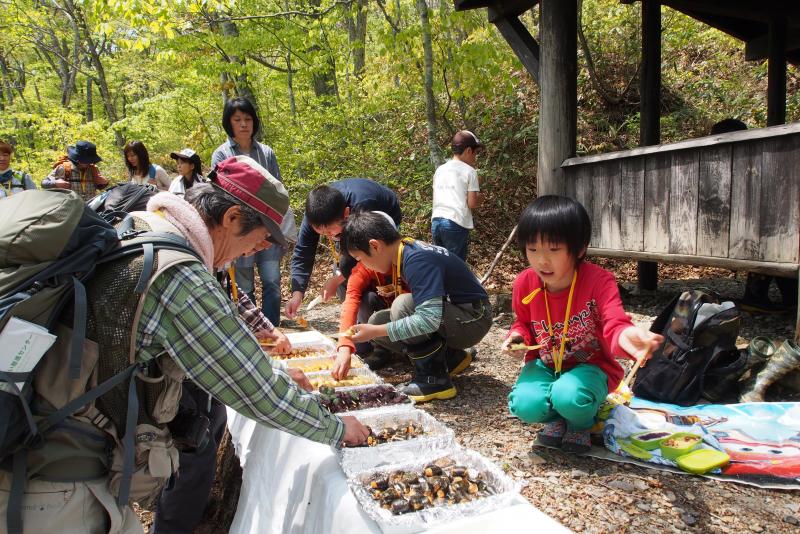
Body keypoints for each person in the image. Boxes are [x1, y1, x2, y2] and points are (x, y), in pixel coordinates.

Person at [2, 155, 370, 533]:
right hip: (56, 485)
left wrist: (275, 371)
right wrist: (338, 429)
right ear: (230, 218)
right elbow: (252, 388)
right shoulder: (177, 273)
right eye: (259, 242)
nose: (254, 253)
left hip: (40, 448)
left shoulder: (146, 225)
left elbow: (223, 346)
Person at [500, 195, 662, 453]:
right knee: (524, 404)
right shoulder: (525, 283)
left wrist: (627, 336)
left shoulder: (598, 281)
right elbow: (522, 322)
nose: (542, 261)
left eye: (553, 250)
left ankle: (580, 423)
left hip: (591, 366)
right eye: (533, 249)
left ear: (579, 249)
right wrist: (517, 338)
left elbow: (614, 321)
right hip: (546, 364)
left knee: (570, 396)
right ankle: (555, 420)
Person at [342, 211, 490, 402]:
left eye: (360, 259)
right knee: (378, 319)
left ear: (375, 245)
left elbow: (429, 319)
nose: (365, 266)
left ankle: (434, 380)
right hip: (456, 315)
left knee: (402, 306)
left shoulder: (416, 259)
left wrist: (375, 332)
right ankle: (451, 358)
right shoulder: (405, 251)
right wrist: (376, 328)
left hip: (475, 318)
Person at [710, 118, 799, 313]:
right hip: (736, 227)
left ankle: (787, 296)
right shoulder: (734, 162)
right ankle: (758, 295)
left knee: (778, 241)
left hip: (751, 224)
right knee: (772, 239)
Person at [212, 97, 287, 325]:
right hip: (240, 228)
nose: (244, 124)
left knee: (272, 280)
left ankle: (272, 326)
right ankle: (254, 330)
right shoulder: (222, 154)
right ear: (229, 123)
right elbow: (220, 193)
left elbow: (278, 188)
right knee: (245, 285)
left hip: (266, 226)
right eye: (238, 120)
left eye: (248, 119)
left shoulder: (266, 153)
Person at [286, 179, 402, 319]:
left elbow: (360, 253)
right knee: (342, 271)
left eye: (330, 231)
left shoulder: (362, 204)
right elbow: (303, 252)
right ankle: (356, 318)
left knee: (371, 267)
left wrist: (336, 279)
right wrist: (297, 294)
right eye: (320, 232)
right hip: (346, 221)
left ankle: (384, 316)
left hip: (384, 213)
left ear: (346, 213)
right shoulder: (315, 215)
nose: (327, 235)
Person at [332, 220, 410, 378]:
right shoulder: (363, 268)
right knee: (367, 300)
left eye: (360, 258)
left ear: (375, 248)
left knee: (404, 303)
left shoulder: (408, 259)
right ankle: (381, 348)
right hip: (385, 312)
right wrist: (344, 344)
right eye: (357, 260)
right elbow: (351, 300)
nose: (361, 263)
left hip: (409, 314)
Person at [430, 130, 484, 261]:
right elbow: (472, 203)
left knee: (441, 263)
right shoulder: (470, 172)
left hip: (436, 222)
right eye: (475, 153)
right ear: (468, 151)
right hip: (455, 223)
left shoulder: (440, 170)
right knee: (456, 265)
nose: (475, 157)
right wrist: (481, 197)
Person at [42, 140, 109, 201]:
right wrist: (55, 183)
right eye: (86, 160)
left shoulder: (93, 169)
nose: (89, 162)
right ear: (77, 158)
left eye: (90, 160)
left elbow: (99, 186)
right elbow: (44, 184)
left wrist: (105, 183)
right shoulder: (64, 168)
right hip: (70, 209)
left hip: (91, 208)